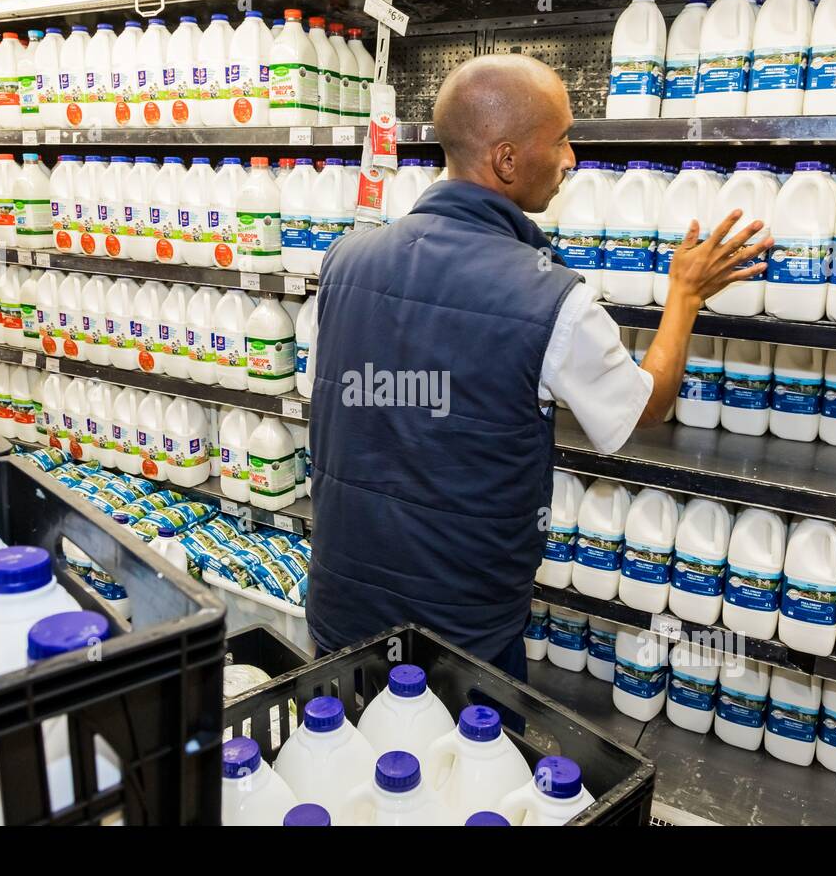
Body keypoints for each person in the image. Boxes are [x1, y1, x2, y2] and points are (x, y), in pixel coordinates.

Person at [305, 54, 771, 681]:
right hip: (461, 636)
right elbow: (645, 406)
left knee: (341, 759)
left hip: (341, 607)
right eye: (561, 140)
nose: (571, 159)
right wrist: (684, 296)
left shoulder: (345, 259)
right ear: (506, 159)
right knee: (472, 768)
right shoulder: (550, 296)